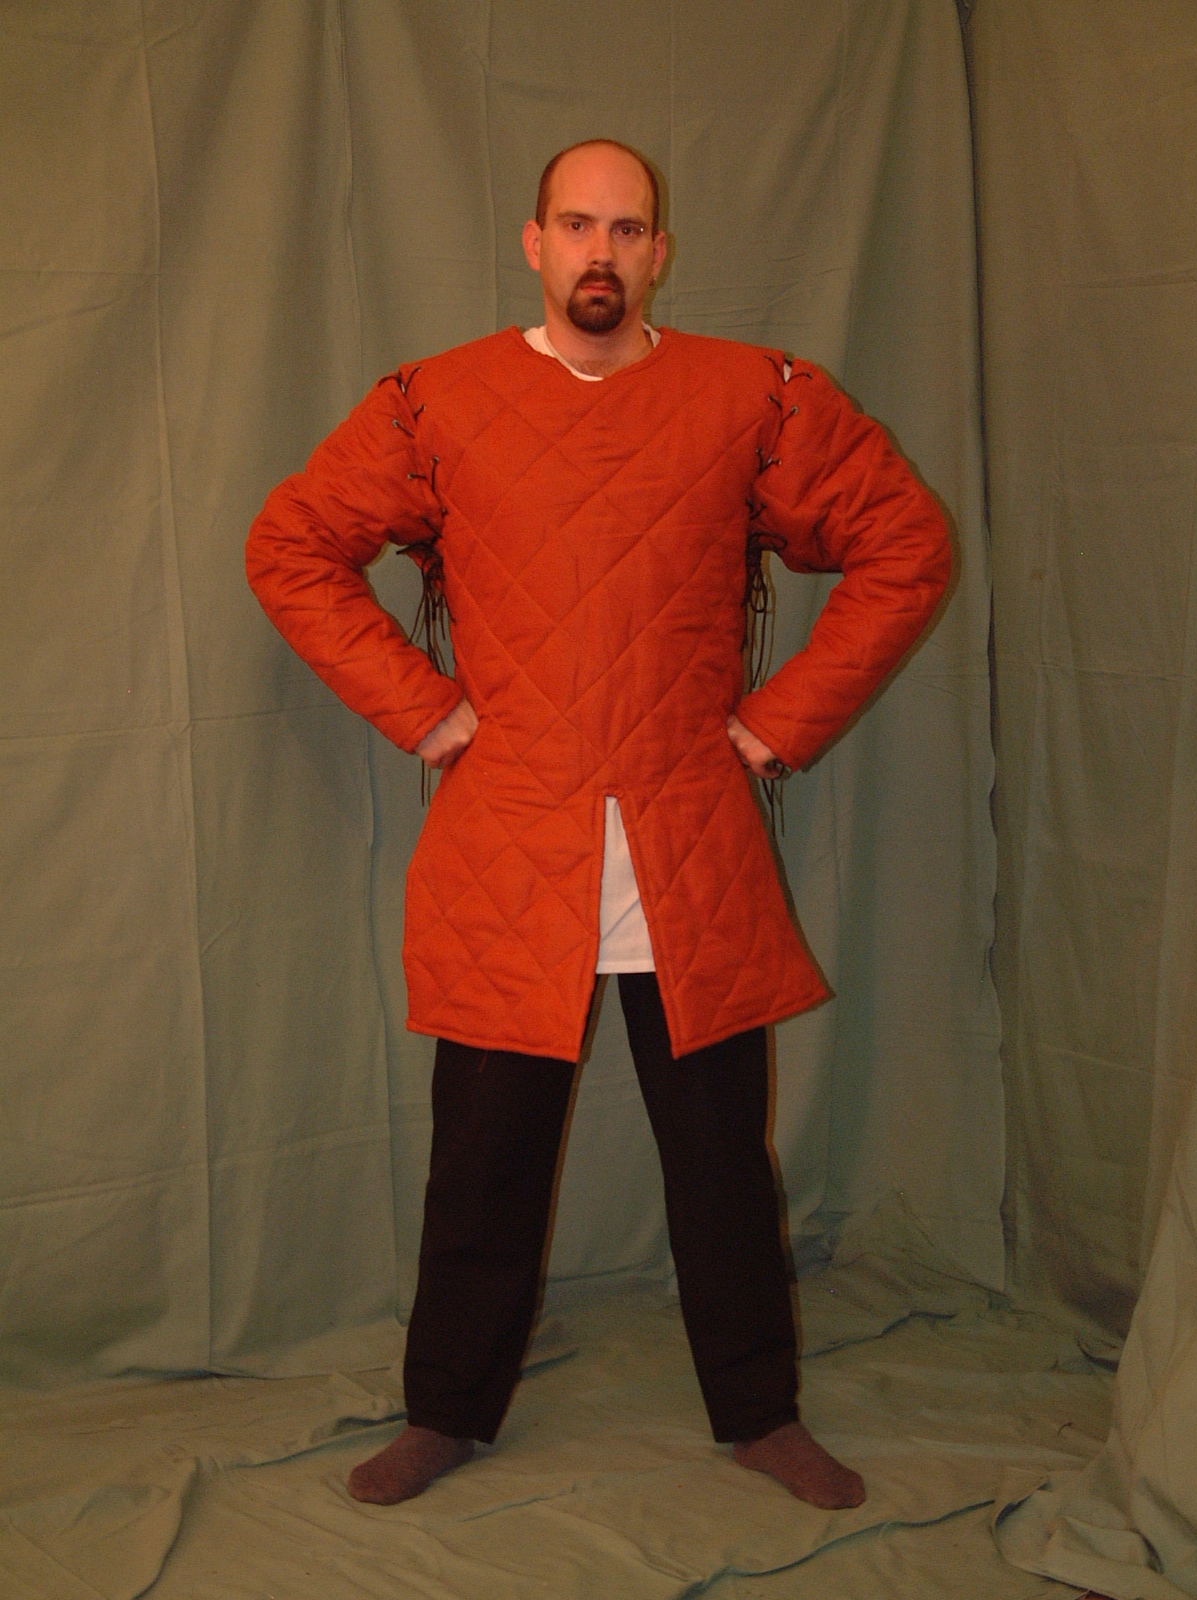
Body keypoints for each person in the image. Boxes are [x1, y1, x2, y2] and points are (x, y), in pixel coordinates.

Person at [246, 139, 950, 1511]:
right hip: (513, 839)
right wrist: (428, 713)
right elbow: (292, 545)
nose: (601, 252)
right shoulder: (438, 402)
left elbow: (904, 541)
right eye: (578, 225)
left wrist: (773, 727)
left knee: (722, 1160)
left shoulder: (751, 396)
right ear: (534, 242)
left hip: (689, 838)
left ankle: (759, 1411)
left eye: (628, 229)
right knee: (483, 1160)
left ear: (659, 252)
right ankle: (446, 1411)